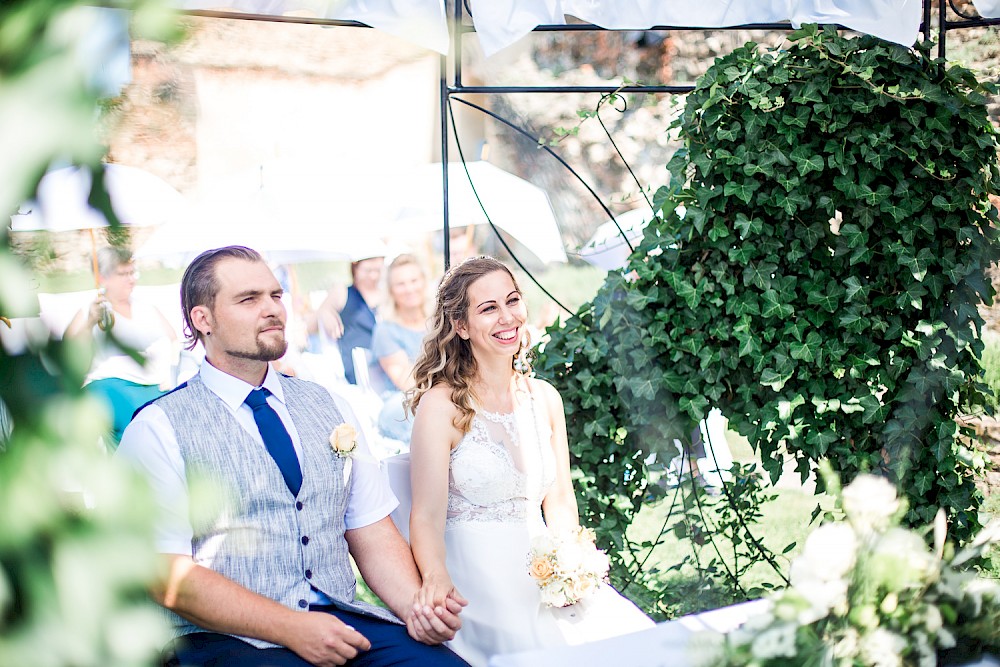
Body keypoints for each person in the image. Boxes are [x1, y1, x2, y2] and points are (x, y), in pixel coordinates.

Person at [116, 246, 469, 667]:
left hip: (340, 619)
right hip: (219, 642)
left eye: (276, 296)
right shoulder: (158, 428)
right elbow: (167, 577)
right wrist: (290, 628)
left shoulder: (331, 405)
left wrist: (417, 608)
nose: (272, 310)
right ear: (201, 319)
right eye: (249, 300)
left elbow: (371, 533)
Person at [406, 256, 653, 666]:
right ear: (461, 326)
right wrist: (436, 579)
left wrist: (574, 565)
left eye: (512, 301)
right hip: (479, 580)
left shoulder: (543, 397)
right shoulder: (442, 405)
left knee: (629, 642)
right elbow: (426, 516)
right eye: (488, 308)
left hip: (545, 572)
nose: (507, 318)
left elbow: (558, 501)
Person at [65, 246, 177, 447]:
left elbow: (172, 338)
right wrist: (90, 322)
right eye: (123, 274)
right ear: (103, 278)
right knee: (144, 437)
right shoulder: (92, 310)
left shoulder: (146, 307)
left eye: (132, 272)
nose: (131, 279)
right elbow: (68, 351)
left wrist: (168, 374)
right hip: (112, 385)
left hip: (155, 385)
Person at [370, 254, 430, 442]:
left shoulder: (439, 321)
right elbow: (408, 382)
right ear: (391, 291)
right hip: (407, 399)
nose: (409, 289)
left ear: (423, 282)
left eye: (414, 280)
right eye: (401, 284)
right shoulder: (385, 330)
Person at [310, 254, 385, 385]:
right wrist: (325, 313)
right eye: (368, 270)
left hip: (385, 364)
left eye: (377, 270)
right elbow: (312, 324)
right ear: (355, 268)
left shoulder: (386, 293)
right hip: (357, 370)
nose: (373, 276)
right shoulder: (342, 292)